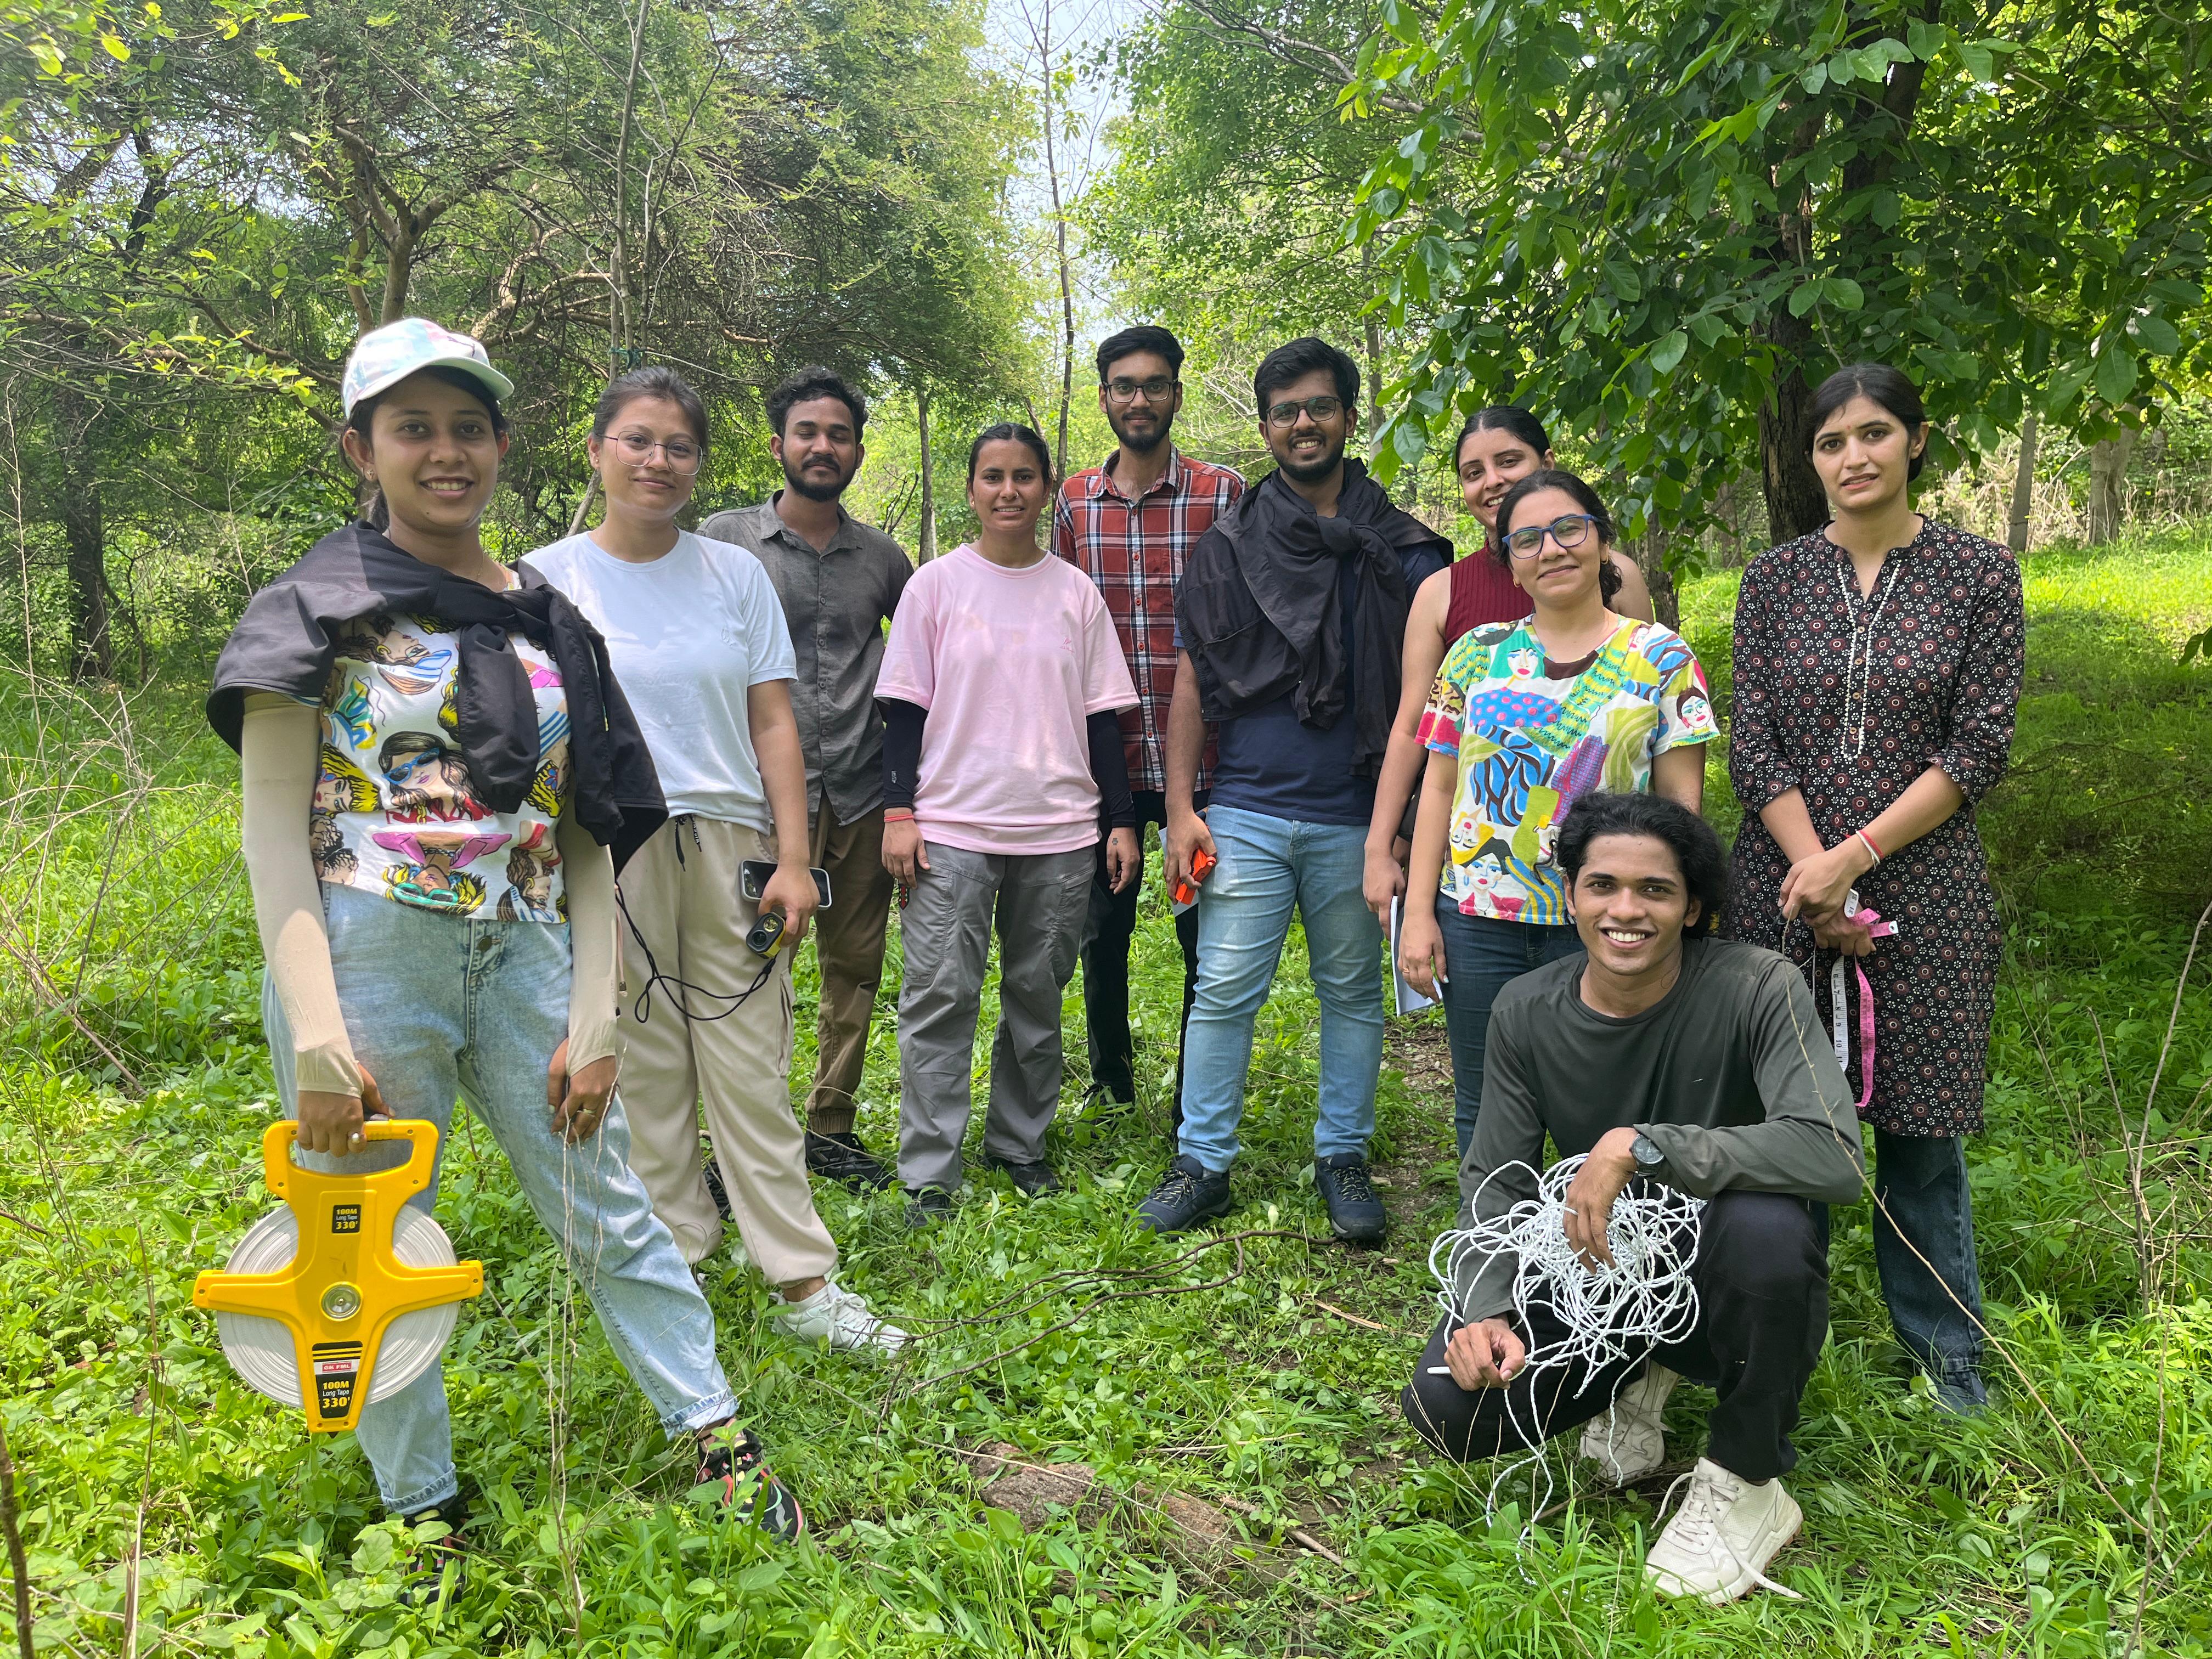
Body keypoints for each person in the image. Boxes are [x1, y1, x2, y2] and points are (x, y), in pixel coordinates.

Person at [208, 320, 803, 1591]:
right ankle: (421, 1504)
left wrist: (596, 1020)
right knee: (370, 1245)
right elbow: (272, 835)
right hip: (366, 959)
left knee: (617, 1213)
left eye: (467, 426)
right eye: (413, 427)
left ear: (503, 444)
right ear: (361, 445)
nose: (445, 452)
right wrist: (316, 1030)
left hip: (528, 946)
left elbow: (585, 829)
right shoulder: (315, 602)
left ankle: (717, 1441)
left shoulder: (547, 618)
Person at [1402, 793, 1865, 1606]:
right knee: (1450, 1405)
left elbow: (1833, 1154)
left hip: (1730, 1272)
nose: (1626, 909)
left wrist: (1643, 1144)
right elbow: (1499, 1180)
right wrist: (1486, 1310)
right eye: (1602, 885)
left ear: (1693, 908)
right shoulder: (1526, 1009)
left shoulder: (1758, 984)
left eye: (1656, 891)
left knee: (1766, 1226)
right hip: (1603, 1268)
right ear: (1571, 895)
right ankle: (1639, 1374)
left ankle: (1748, 1477)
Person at [525, 366, 905, 1355]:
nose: (658, 461)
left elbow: (773, 719)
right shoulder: (545, 577)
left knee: (748, 1063)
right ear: (599, 447)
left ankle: (803, 1279)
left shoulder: (734, 572)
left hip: (733, 838)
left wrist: (792, 858)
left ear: (700, 462)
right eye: (639, 440)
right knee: (642, 1064)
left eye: (678, 446)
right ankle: (678, 1262)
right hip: (611, 846)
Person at [1724, 362, 2024, 1413]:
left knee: (1918, 1128)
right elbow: (1750, 739)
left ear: (1916, 440)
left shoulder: (1978, 575)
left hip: (1924, 893)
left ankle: (1950, 1366)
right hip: (1779, 885)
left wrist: (1851, 860)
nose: (1853, 457)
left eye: (1874, 434)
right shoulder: (1773, 581)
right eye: (1831, 441)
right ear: (1809, 459)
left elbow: (1977, 745)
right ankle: (1773, 1352)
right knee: (1778, 1121)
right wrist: (1811, 876)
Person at [1143, 338, 1452, 1241]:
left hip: (1357, 815)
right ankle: (1202, 1161)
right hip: (1242, 807)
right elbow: (1195, 680)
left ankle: (1342, 1156)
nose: (1301, 423)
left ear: (1349, 418)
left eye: (1318, 406)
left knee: (1351, 991)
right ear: (1267, 425)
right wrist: (1179, 809)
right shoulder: (1231, 544)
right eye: (1283, 411)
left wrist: (1399, 832)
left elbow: (1434, 699)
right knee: (1223, 986)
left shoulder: (1398, 549)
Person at [1397, 469, 1715, 1156]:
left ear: (1602, 542)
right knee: (1485, 1106)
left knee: (1604, 1107)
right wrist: (1420, 912)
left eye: (1570, 529)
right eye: (1528, 539)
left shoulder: (1661, 658)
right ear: (1510, 560)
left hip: (1610, 922)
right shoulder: (1474, 656)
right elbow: (1439, 793)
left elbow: (1682, 812)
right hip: (1480, 918)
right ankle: (1491, 1255)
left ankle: (1601, 1258)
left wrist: (1676, 915)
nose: (1553, 549)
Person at [876, 423, 1141, 1222]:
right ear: (970, 488)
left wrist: (1119, 822)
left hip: (1060, 831)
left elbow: (1103, 720)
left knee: (1036, 998)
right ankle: (930, 1168)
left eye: (1024, 476)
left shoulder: (1074, 593)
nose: (1008, 491)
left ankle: (1019, 1145)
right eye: (992, 476)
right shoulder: (936, 586)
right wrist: (898, 811)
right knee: (939, 997)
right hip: (952, 826)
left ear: (1046, 486)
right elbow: (903, 710)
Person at [699, 368, 911, 1190]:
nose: (824, 447)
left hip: (860, 789)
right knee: (747, 967)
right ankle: (736, 1142)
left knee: (852, 967)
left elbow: (924, 663)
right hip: (752, 798)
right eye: (807, 432)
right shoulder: (723, 541)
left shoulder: (885, 560)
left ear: (858, 449)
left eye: (840, 434)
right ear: (779, 442)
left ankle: (830, 1124)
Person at [1053, 326, 1244, 1113]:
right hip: (1109, 754)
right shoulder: (1071, 502)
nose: (1140, 399)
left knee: (1205, 933)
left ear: (1176, 394)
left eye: (1155, 385)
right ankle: (1111, 1081)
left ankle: (1196, 1091)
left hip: (1211, 757)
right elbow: (1060, 622)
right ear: (1104, 398)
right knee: (1104, 927)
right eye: (1124, 386)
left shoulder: (1224, 493)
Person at [1362, 408, 1652, 924]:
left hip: (1602, 862)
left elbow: (1645, 711)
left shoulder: (1615, 575)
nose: (1492, 482)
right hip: (1481, 862)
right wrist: (1379, 846)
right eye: (1474, 473)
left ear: (1548, 462)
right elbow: (1413, 729)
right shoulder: (1441, 592)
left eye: (1508, 461)